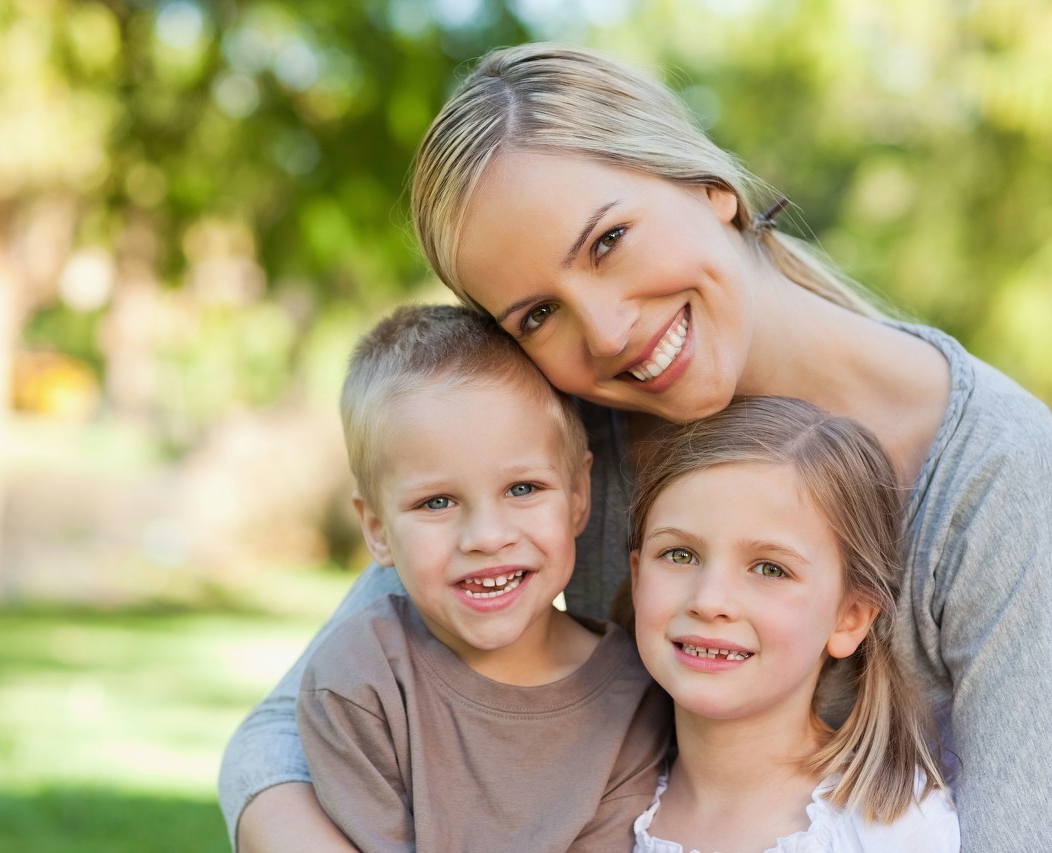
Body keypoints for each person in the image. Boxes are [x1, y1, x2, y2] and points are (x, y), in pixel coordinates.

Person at [219, 43, 1052, 851]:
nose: (610, 328)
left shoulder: (1001, 476)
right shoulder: (562, 461)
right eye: (537, 314)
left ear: (707, 186)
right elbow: (276, 740)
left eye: (609, 240)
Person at [296, 303, 669, 851]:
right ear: (376, 530)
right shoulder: (358, 682)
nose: (486, 536)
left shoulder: (638, 692)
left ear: (578, 497)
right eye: (437, 501)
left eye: (522, 489)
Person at [619, 395, 958, 852]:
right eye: (680, 555)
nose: (710, 601)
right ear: (637, 577)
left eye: (770, 568)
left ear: (849, 618)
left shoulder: (892, 830)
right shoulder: (601, 803)